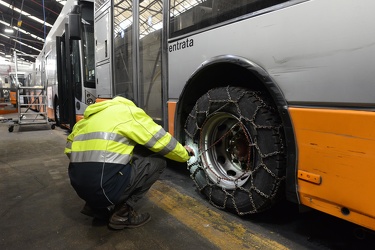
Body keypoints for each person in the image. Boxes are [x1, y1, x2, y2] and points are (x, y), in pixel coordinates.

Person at [64, 96, 193, 230]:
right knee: (158, 163)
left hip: (79, 187)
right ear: (132, 105)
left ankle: (94, 207)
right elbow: (160, 139)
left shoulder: (86, 120)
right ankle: (122, 215)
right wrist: (184, 154)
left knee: (114, 162)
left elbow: (69, 151)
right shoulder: (128, 112)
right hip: (104, 189)